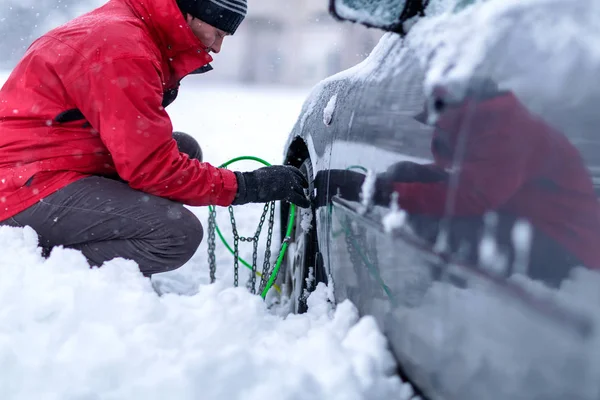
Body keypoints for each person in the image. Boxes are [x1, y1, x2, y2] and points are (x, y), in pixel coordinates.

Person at [0, 0, 310, 276]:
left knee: (184, 147)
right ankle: (39, 269)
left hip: (42, 161)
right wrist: (249, 186)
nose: (217, 47)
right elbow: (152, 169)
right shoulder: (123, 51)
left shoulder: (130, 25)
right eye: (218, 32)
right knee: (176, 235)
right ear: (191, 13)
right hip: (20, 187)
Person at [316, 80, 600, 287]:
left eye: (437, 120)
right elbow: (466, 178)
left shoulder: (507, 130)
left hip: (568, 247)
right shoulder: (481, 123)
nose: (434, 127)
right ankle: (447, 284)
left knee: (441, 210)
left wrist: (377, 190)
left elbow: (470, 197)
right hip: (527, 223)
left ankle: (458, 297)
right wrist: (391, 182)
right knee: (410, 176)